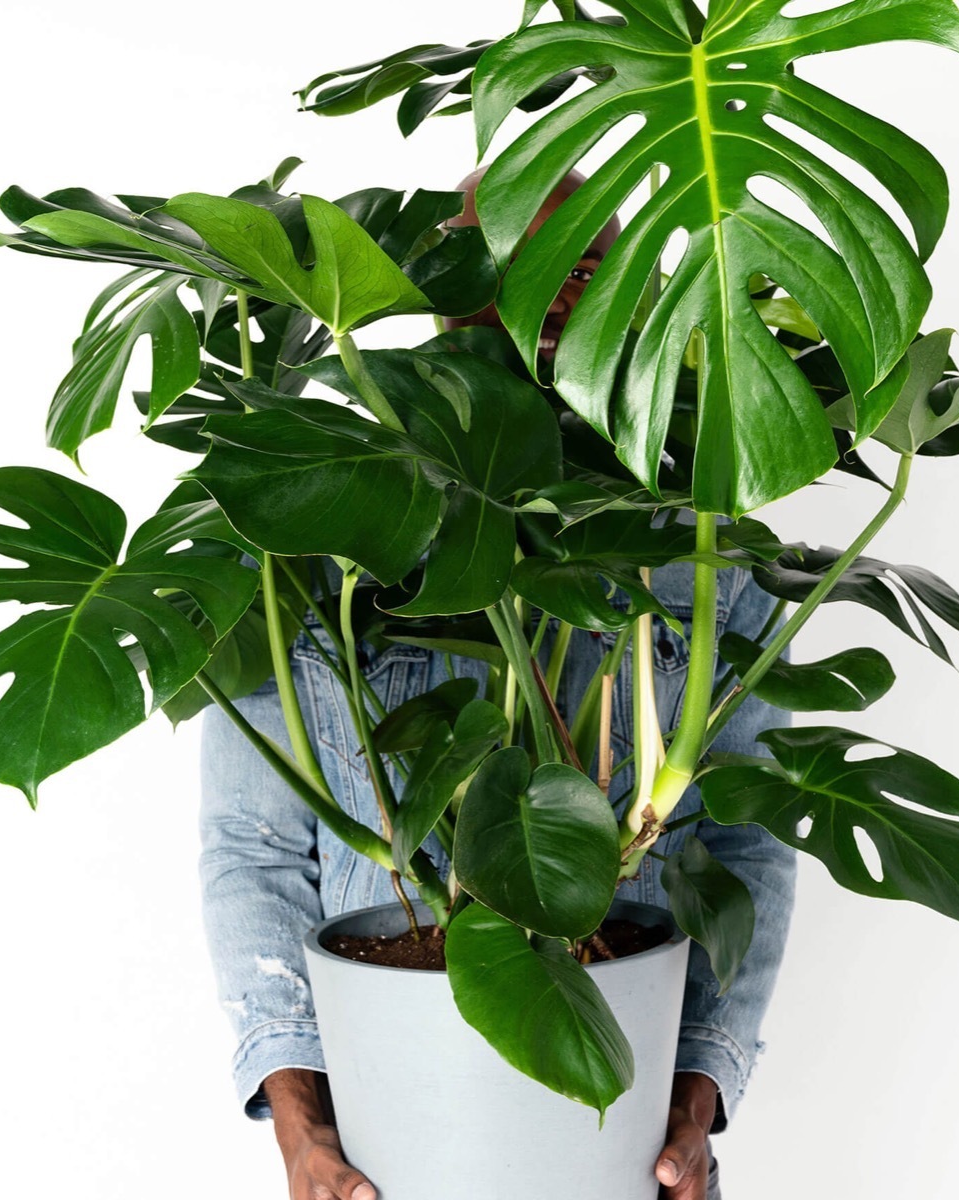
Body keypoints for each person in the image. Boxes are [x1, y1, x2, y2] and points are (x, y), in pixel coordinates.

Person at [198, 171, 796, 1200]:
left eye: (584, 264)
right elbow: (252, 847)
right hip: (388, 1109)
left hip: (618, 1090)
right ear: (438, 286)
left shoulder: (704, 549)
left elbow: (749, 844)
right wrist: (299, 1125)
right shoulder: (321, 524)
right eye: (509, 262)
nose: (550, 294)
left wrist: (696, 1099)